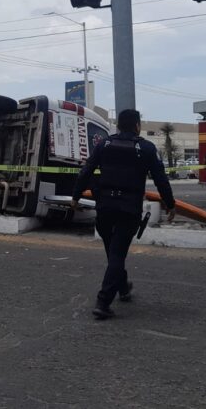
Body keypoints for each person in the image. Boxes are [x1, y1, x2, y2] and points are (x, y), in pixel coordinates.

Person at [71, 109, 176, 320]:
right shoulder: (146, 148)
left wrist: (75, 196)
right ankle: (103, 302)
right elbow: (160, 179)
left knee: (113, 251)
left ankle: (123, 287)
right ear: (137, 125)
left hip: (105, 206)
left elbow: (86, 170)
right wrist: (170, 204)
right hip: (128, 208)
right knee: (117, 253)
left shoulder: (104, 144)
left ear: (118, 125)